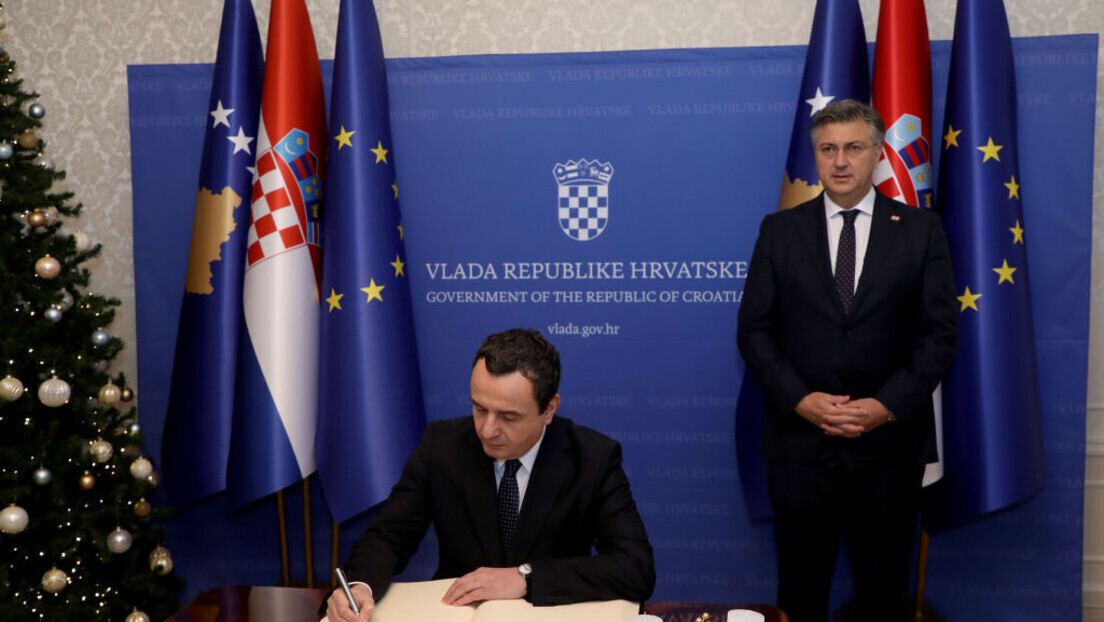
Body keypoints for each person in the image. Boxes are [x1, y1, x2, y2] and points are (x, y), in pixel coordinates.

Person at [737, 99, 959, 622]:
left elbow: (939, 334)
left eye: (853, 148)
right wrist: (800, 400)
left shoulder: (921, 230)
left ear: (878, 154)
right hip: (800, 450)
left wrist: (885, 405)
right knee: (799, 595)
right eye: (828, 149)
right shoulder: (779, 231)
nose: (840, 161)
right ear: (815, 155)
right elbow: (754, 332)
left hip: (888, 451)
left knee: (884, 597)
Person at [324, 328, 655, 622]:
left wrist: (526, 577)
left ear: (549, 410)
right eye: (480, 408)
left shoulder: (592, 458)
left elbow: (635, 567)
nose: (487, 430)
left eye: (508, 417)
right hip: (456, 614)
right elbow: (388, 537)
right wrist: (359, 586)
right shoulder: (441, 446)